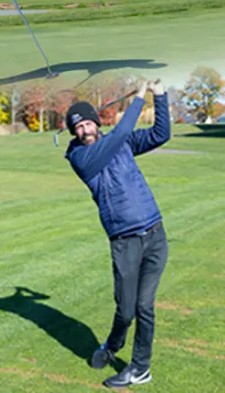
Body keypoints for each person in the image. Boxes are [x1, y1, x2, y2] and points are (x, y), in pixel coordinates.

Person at [63, 80, 171, 389]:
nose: (84, 130)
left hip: (155, 234)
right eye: (78, 127)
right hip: (125, 242)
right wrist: (138, 97)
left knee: (144, 306)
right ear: (74, 133)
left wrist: (159, 95)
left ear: (96, 123)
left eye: (87, 123)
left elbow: (161, 134)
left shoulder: (120, 143)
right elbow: (121, 132)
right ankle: (113, 344)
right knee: (125, 310)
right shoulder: (80, 159)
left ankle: (140, 368)